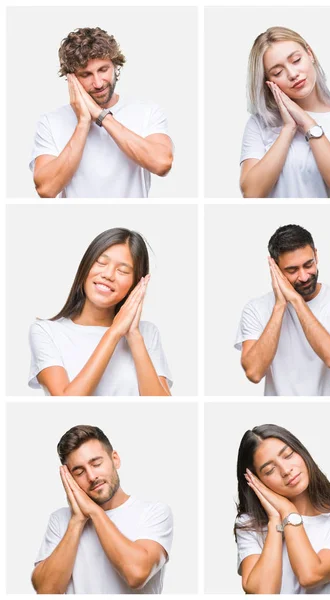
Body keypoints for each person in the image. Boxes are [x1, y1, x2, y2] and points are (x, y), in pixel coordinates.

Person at [30, 27, 173, 198]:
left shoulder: (147, 111)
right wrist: (83, 122)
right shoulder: (51, 122)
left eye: (103, 70)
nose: (98, 83)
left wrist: (101, 116)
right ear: (71, 78)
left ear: (115, 65)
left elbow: (162, 164)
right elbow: (46, 189)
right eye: (86, 74)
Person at [28, 227, 172, 396]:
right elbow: (67, 403)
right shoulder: (47, 332)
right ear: (86, 265)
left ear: (135, 284)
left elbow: (161, 408)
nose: (108, 275)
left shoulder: (147, 333)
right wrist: (114, 333)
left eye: (123, 271)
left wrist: (133, 335)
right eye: (101, 263)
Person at [32, 425, 173, 594]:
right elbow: (46, 591)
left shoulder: (154, 513)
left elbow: (137, 574)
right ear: (69, 478)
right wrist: (77, 521)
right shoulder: (61, 520)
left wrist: (94, 511)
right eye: (79, 472)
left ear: (115, 459)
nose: (92, 477)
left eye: (96, 463)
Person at [240, 26, 330, 198]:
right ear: (268, 82)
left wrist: (307, 123)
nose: (293, 74)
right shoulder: (259, 124)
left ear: (310, 54)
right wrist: (288, 129)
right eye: (278, 72)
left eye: (296, 60)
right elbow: (252, 193)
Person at [235, 424, 330, 594]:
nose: (286, 470)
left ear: (302, 452)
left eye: (288, 455)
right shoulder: (249, 525)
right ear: (257, 481)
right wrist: (275, 518)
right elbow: (263, 593)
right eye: (270, 470)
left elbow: (310, 575)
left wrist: (289, 511)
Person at [235, 224, 330, 396]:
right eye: (292, 270)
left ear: (316, 256)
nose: (304, 277)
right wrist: (280, 305)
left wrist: (296, 300)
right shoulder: (255, 309)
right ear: (275, 269)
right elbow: (254, 372)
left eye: (308, 265)